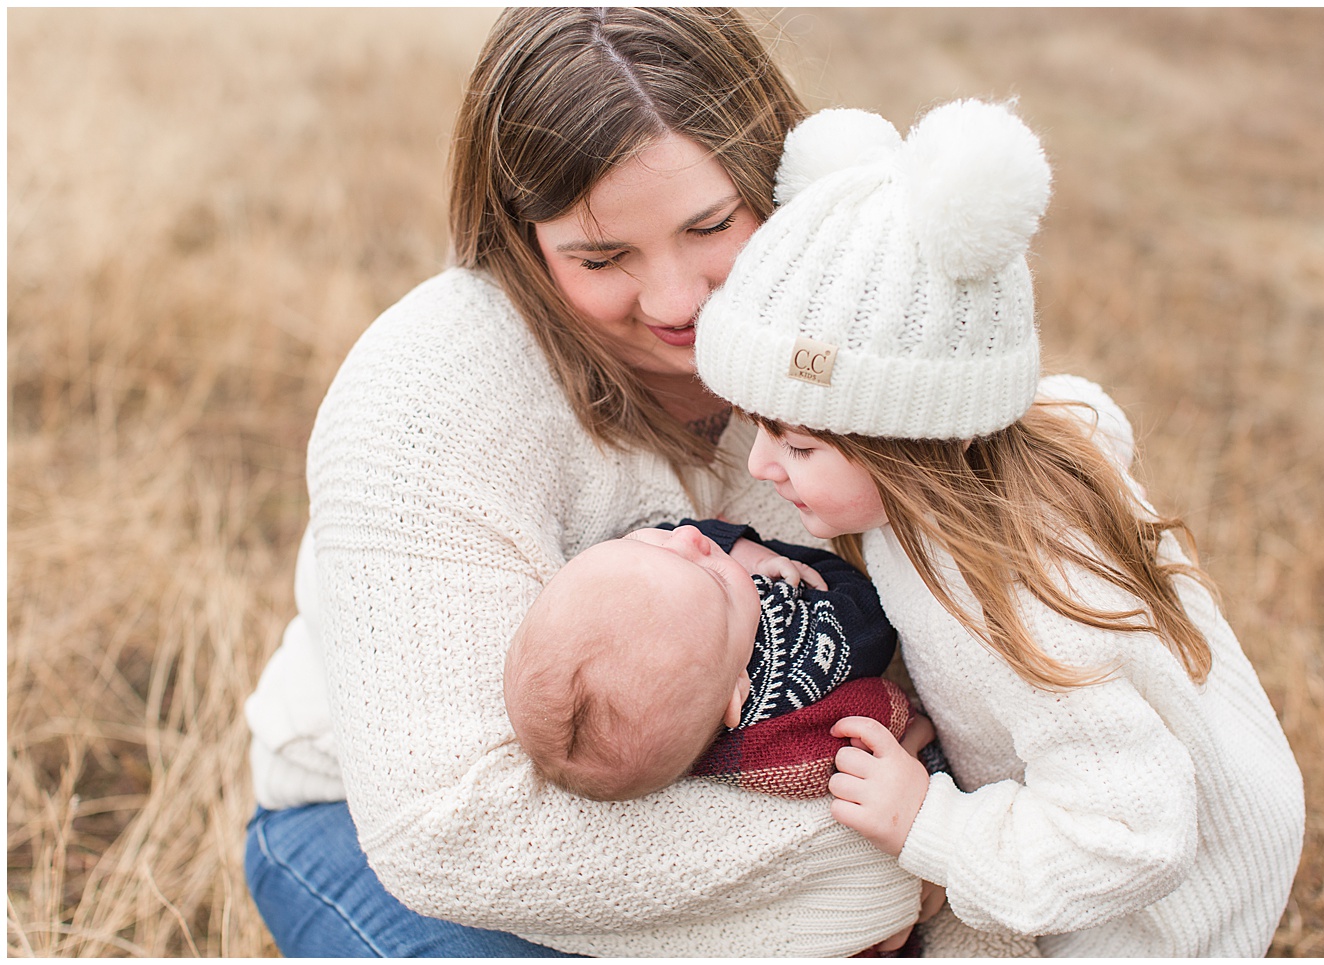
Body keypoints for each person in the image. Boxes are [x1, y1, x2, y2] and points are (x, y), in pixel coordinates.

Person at [242, 8, 1035, 958]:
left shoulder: (845, 345)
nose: (675, 303)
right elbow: (445, 831)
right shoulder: (426, 393)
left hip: (780, 795)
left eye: (710, 226)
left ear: (774, 182)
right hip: (394, 836)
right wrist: (917, 859)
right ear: (520, 237)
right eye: (601, 257)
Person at [695, 98, 1307, 955]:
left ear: (922, 439)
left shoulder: (1012, 604)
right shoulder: (969, 471)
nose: (762, 466)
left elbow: (1134, 833)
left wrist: (932, 824)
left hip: (1150, 917)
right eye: (759, 428)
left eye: (796, 444)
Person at [504, 518, 918, 802]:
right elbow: (870, 616)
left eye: (635, 544)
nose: (688, 536)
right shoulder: (800, 654)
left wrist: (738, 555)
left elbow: (668, 554)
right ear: (738, 691)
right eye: (715, 578)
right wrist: (776, 559)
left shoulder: (700, 647)